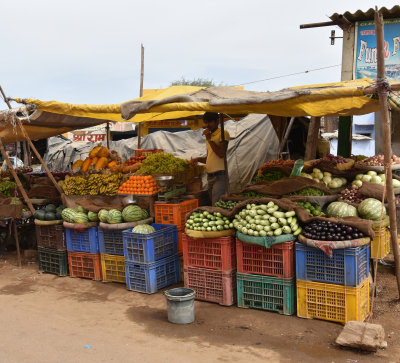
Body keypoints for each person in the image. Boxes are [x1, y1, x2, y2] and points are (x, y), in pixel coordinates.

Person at [191, 112, 229, 206]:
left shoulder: (223, 133)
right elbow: (210, 157)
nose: (207, 125)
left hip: (220, 175)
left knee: (216, 203)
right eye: (205, 122)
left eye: (209, 122)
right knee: (213, 201)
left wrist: (209, 139)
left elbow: (220, 154)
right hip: (210, 176)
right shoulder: (210, 136)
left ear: (217, 121)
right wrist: (198, 159)